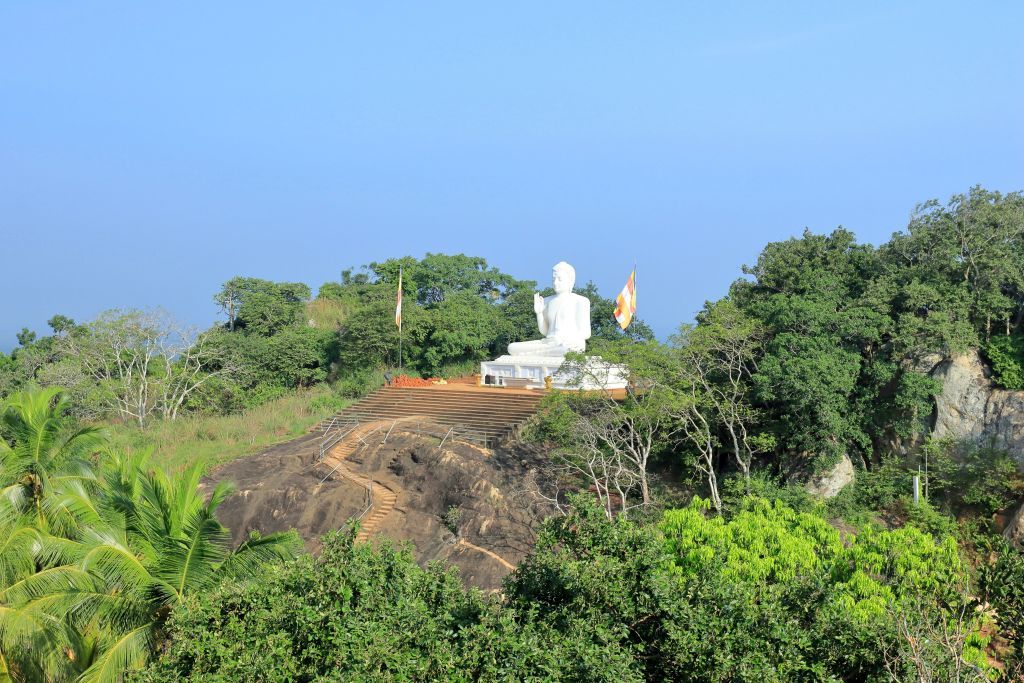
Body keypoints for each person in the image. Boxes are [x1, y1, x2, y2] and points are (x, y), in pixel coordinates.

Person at [507, 261, 591, 356]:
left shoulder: (580, 301)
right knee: (512, 347)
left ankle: (540, 353)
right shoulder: (546, 301)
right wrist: (539, 313)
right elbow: (545, 331)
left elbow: (585, 333)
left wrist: (565, 339)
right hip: (548, 343)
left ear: (570, 281)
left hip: (568, 344)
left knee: (567, 349)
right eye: (553, 279)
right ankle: (544, 352)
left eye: (559, 279)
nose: (555, 283)